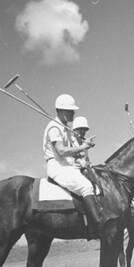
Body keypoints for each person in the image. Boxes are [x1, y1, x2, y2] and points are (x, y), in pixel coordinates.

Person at [43, 94, 103, 239]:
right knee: (86, 187)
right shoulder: (54, 128)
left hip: (67, 165)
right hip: (57, 166)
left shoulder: (64, 128)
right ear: (62, 111)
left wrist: (84, 147)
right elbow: (61, 151)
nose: (73, 114)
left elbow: (73, 152)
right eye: (71, 111)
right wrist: (82, 147)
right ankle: (98, 226)